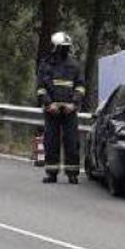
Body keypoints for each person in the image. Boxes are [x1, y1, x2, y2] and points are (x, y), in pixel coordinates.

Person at [37, 31, 86, 184]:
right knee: (51, 142)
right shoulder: (45, 65)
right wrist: (48, 104)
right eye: (62, 47)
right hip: (51, 110)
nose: (65, 50)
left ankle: (72, 173)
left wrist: (74, 103)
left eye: (67, 47)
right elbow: (40, 88)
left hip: (69, 110)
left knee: (72, 142)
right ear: (55, 47)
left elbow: (80, 86)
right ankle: (51, 173)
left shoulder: (74, 65)